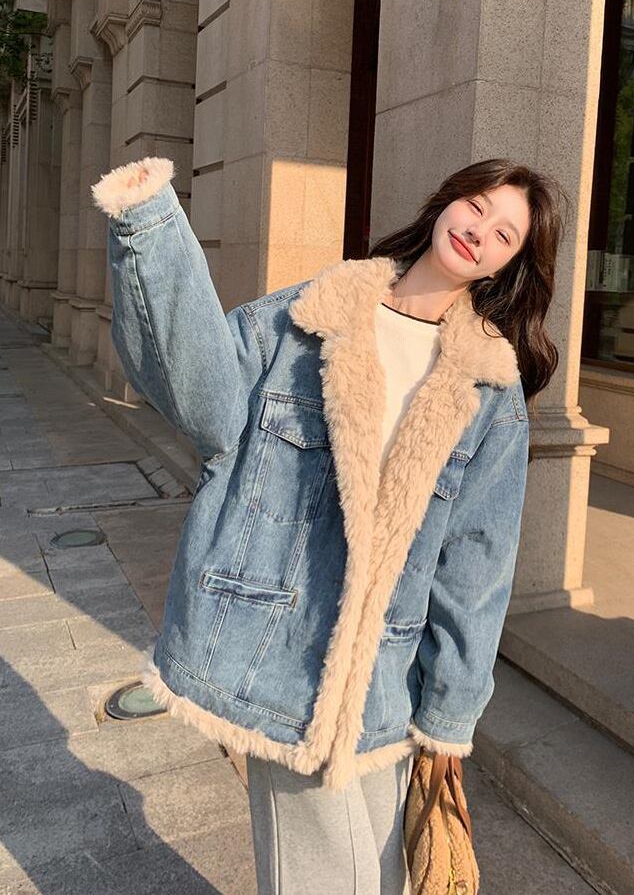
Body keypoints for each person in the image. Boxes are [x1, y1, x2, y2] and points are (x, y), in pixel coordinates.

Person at [90, 155, 568, 894]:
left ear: (507, 266)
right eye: (477, 205)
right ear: (446, 201)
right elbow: (204, 403)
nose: (481, 231)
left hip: (387, 685)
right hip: (277, 656)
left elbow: (476, 568)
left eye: (505, 234)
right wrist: (151, 223)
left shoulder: (489, 392)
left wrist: (449, 718)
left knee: (379, 876)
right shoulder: (306, 319)